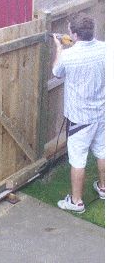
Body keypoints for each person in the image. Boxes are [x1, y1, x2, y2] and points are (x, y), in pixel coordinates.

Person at [52, 12, 105, 213]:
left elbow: (56, 72)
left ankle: (76, 202)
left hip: (80, 119)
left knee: (77, 159)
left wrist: (59, 48)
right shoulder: (106, 48)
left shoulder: (68, 56)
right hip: (103, 113)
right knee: (103, 151)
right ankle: (104, 188)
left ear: (74, 34)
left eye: (69, 32)